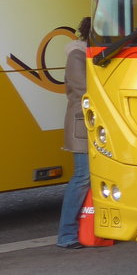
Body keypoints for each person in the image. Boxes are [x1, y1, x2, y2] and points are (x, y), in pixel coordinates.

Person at [56, 17, 90, 249]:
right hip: (82, 126)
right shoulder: (77, 55)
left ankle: (93, 229)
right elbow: (84, 88)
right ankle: (66, 235)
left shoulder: (88, 54)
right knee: (82, 177)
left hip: (92, 126)